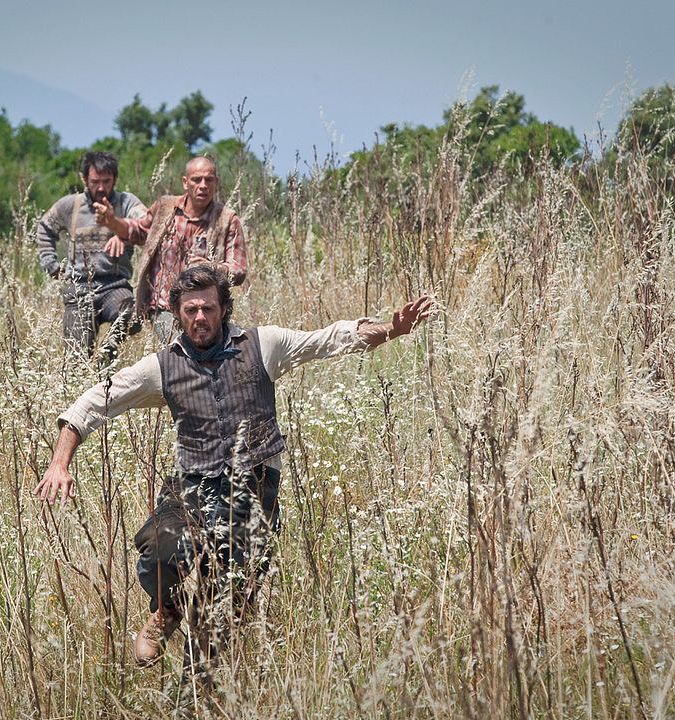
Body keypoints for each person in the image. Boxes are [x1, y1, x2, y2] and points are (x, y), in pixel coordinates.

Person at [35, 264, 434, 678]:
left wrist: (392, 329)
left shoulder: (264, 345)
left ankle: (196, 696)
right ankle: (168, 609)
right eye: (190, 310)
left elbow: (329, 339)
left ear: (224, 309)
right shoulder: (161, 367)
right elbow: (92, 404)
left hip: (252, 491)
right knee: (158, 549)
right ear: (177, 314)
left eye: (208, 308)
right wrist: (60, 462)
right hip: (192, 484)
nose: (200, 317)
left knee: (221, 612)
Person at [37, 151, 147, 362]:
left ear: (115, 179)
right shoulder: (71, 205)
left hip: (115, 284)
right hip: (79, 286)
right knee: (76, 358)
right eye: (95, 182)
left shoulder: (126, 203)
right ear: (84, 179)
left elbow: (147, 225)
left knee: (134, 316)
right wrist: (51, 264)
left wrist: (123, 234)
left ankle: (107, 355)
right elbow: (44, 227)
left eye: (106, 181)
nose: (101, 188)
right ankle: (86, 372)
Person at [128, 156, 248, 343]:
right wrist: (113, 224)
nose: (203, 186)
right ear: (185, 182)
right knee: (184, 347)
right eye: (196, 180)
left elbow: (239, 271)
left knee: (229, 348)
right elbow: (138, 232)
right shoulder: (165, 208)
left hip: (203, 309)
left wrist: (213, 268)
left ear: (216, 182)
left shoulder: (227, 220)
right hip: (163, 307)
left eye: (209, 180)